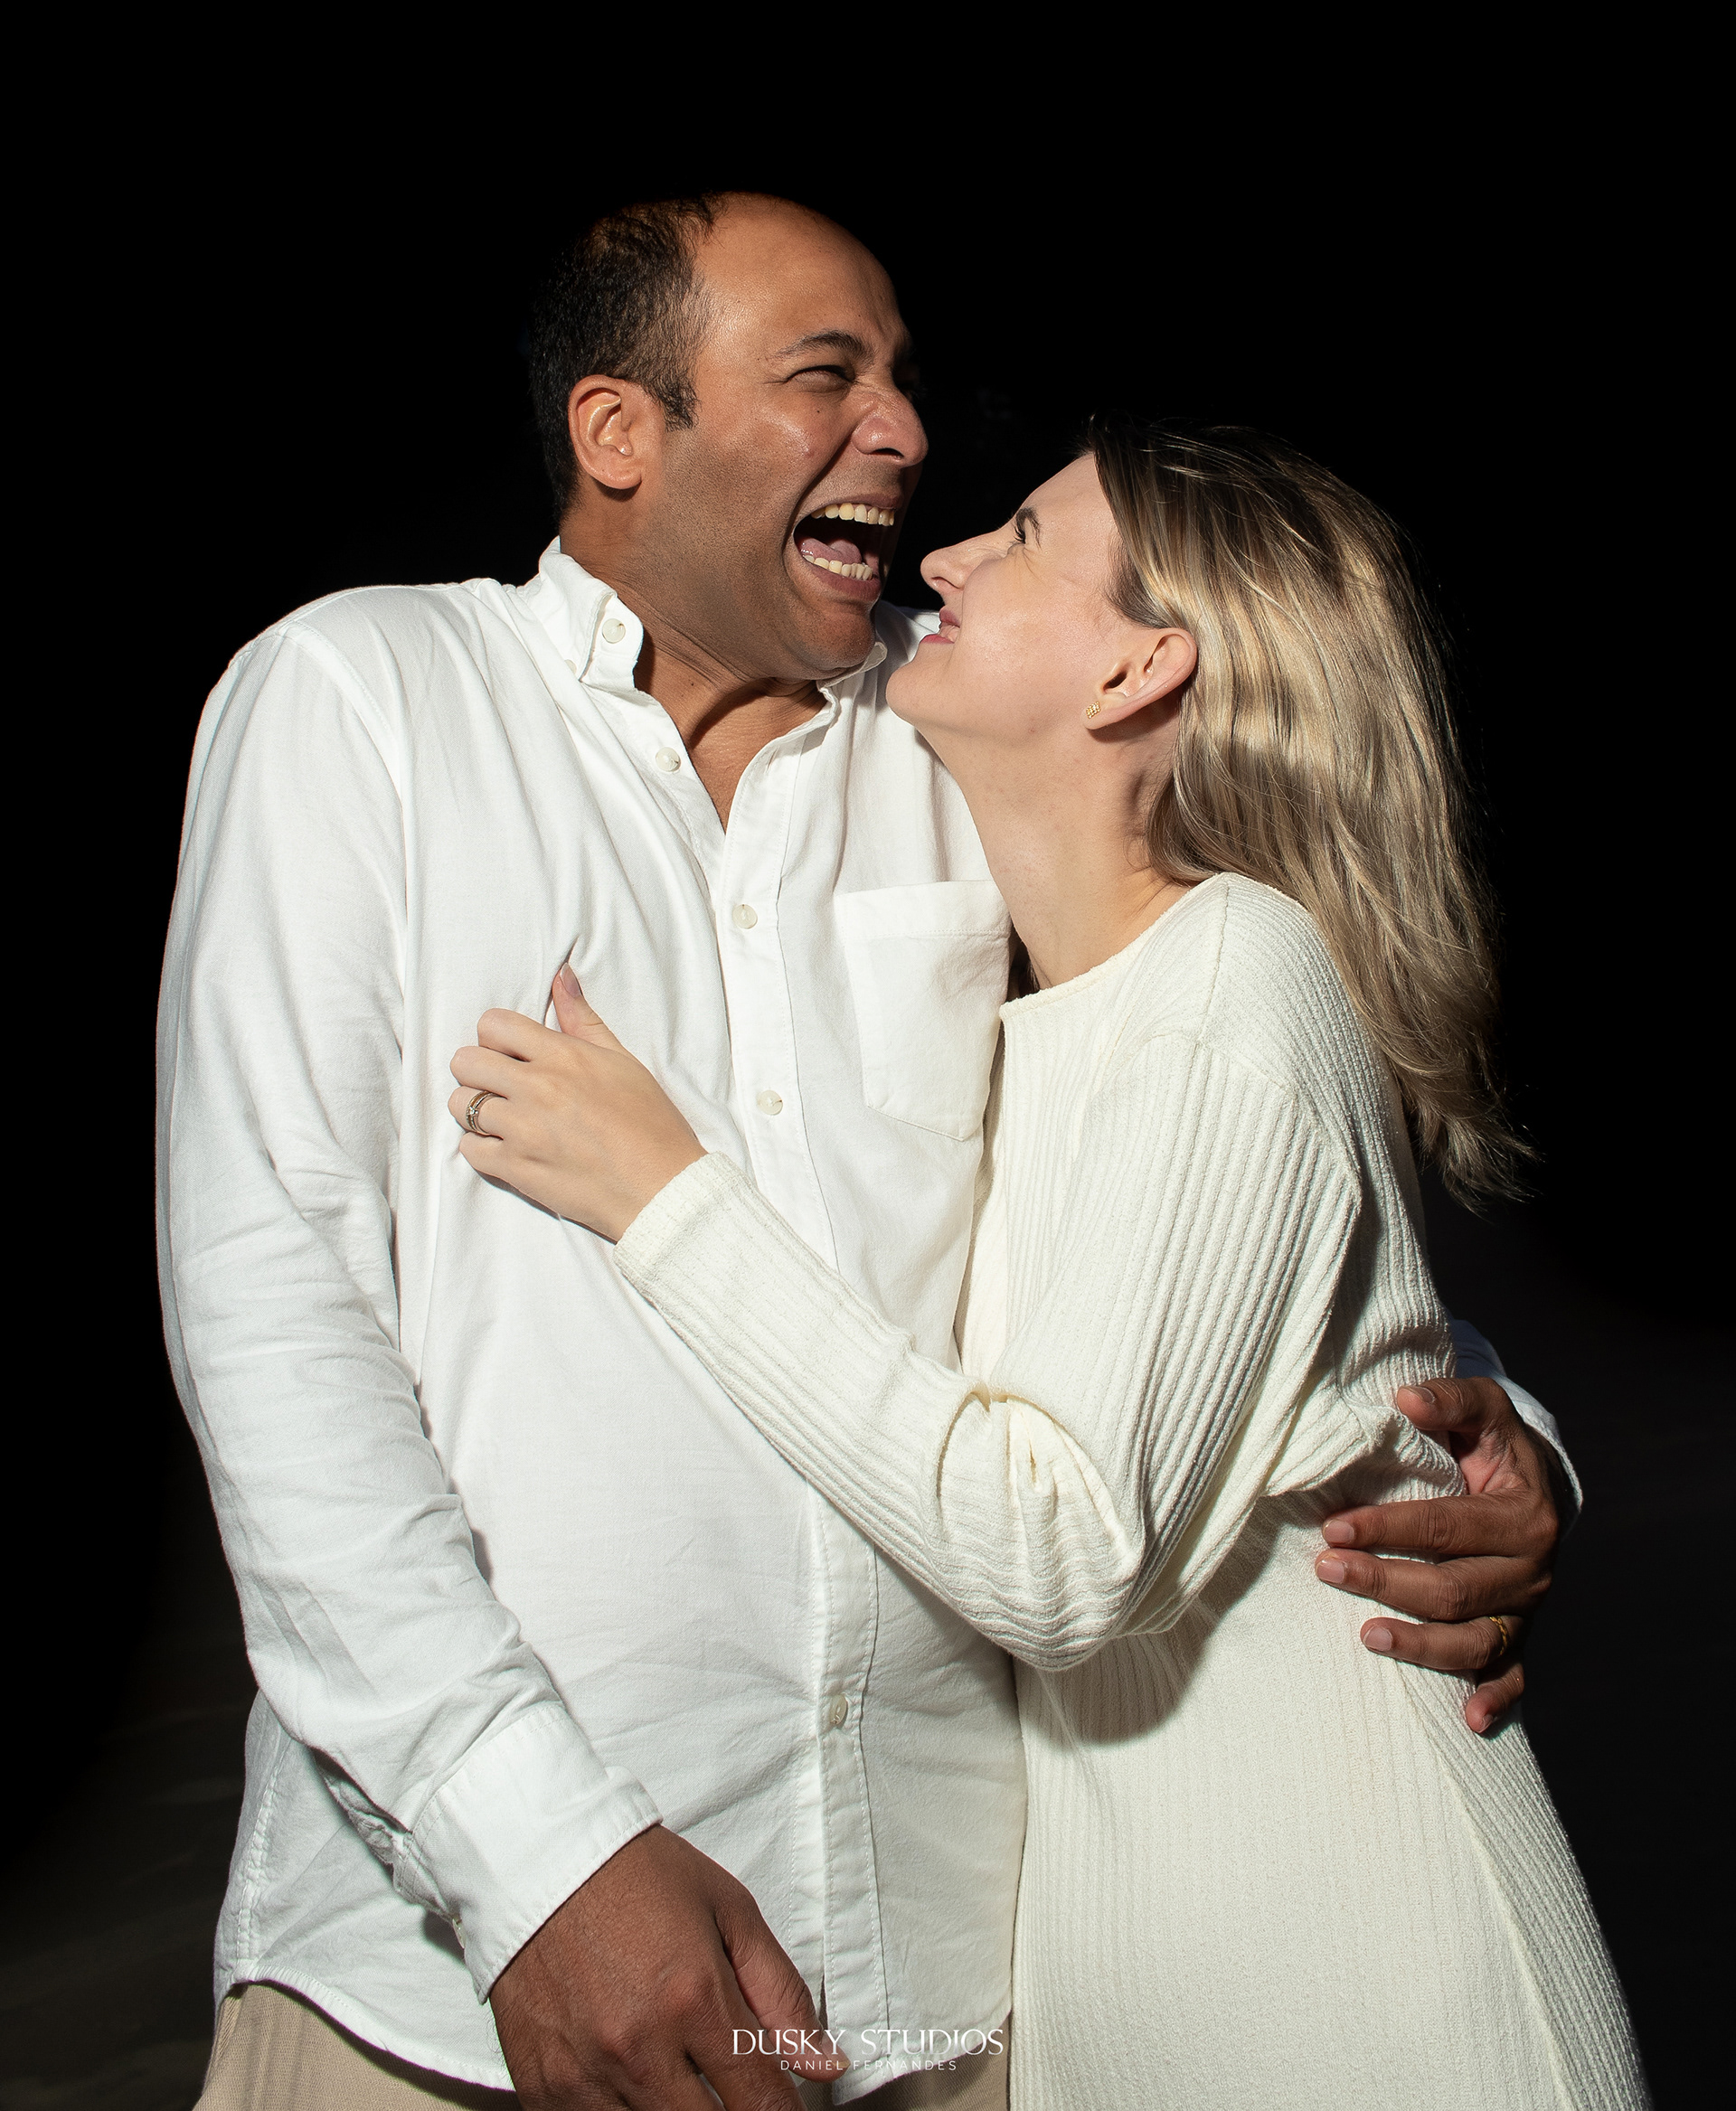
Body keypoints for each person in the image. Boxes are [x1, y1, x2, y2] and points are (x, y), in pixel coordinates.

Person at [161, 192, 1570, 2111]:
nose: (904, 432)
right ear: (619, 431)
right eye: (828, 375)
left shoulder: (963, 737)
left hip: (944, 1993)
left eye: (902, 376)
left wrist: (1492, 1442)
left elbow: (1204, 1160)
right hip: (460, 1990)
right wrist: (537, 1857)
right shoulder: (366, 705)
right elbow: (275, 1325)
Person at [445, 420, 1644, 2110]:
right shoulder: (1050, 1022)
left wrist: (665, 1198)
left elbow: (1061, 1546)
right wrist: (1515, 1443)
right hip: (1150, 2011)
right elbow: (1320, 1331)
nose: (943, 556)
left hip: (1379, 2000)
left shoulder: (1238, 977)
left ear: (1142, 668)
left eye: (1018, 537)